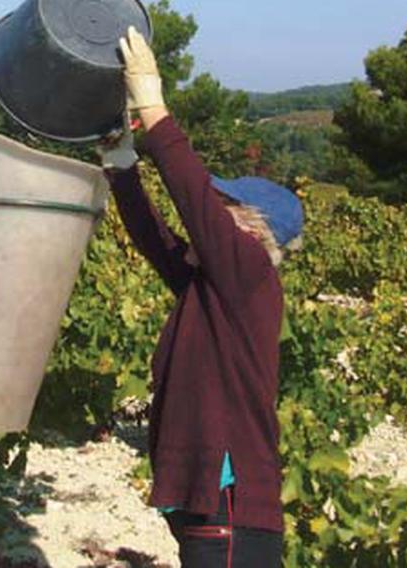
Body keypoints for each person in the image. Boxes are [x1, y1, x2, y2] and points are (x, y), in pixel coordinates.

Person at [100, 27, 304, 567]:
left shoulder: (250, 271)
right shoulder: (214, 286)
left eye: (227, 206)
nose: (212, 209)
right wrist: (121, 167)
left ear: (254, 229)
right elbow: (156, 240)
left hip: (234, 510)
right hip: (213, 507)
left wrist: (155, 107)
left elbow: (191, 197)